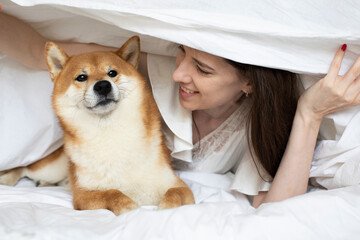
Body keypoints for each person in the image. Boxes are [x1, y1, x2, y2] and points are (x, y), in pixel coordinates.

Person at [1, 12, 360, 208]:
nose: (178, 74)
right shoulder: (137, 72)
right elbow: (39, 53)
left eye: (202, 69)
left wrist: (309, 114)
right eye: (182, 53)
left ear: (248, 84)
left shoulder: (253, 128)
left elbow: (279, 206)